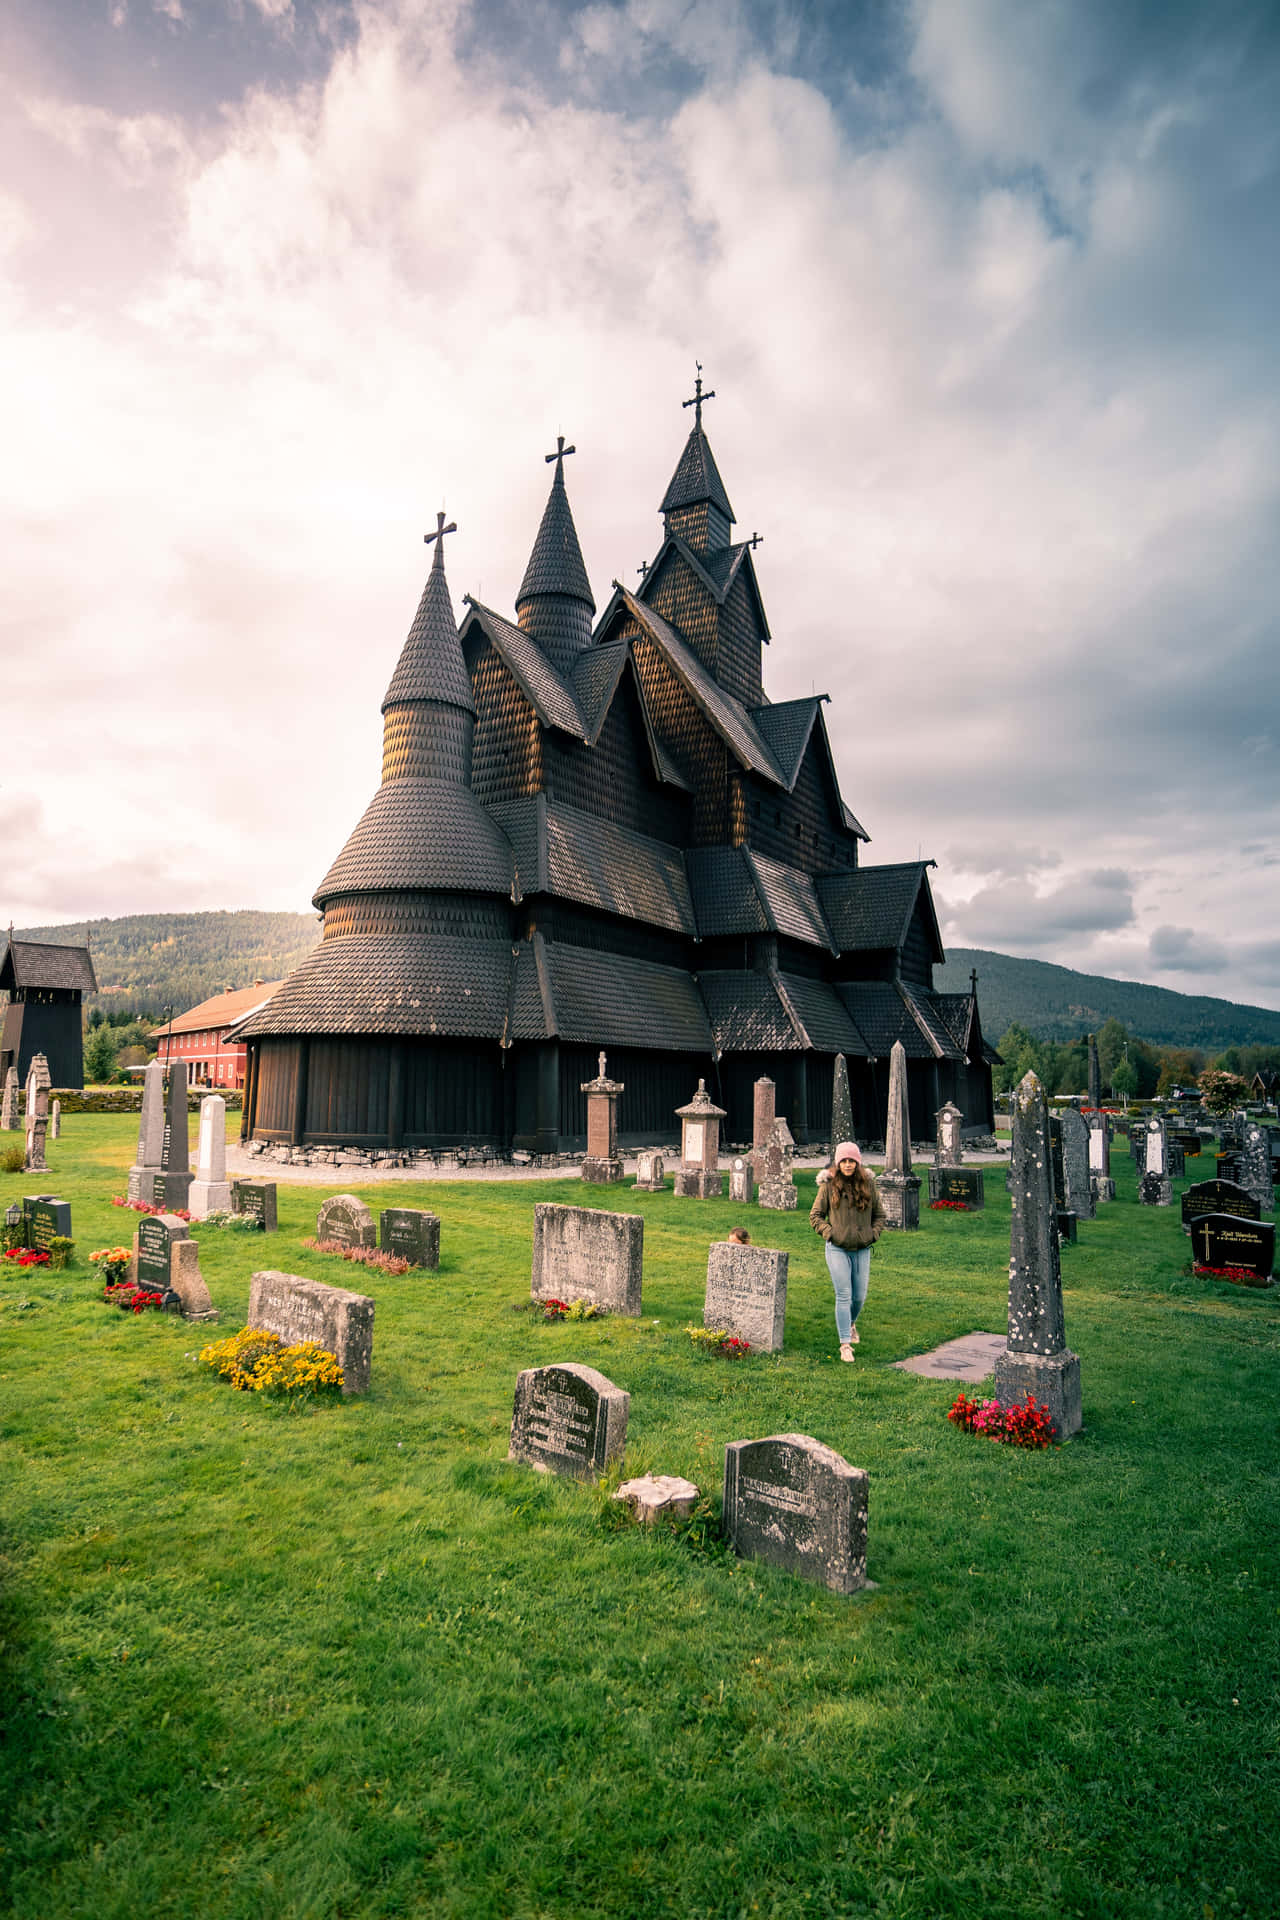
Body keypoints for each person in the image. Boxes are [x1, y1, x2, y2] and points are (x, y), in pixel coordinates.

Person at [809, 1140, 885, 1362]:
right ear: (838, 1162)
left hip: (862, 1248)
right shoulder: (828, 1186)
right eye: (844, 1161)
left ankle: (851, 1323)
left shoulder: (869, 1186)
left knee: (859, 1296)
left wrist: (873, 1234)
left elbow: (880, 1215)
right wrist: (830, 1233)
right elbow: (815, 1216)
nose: (848, 1165)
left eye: (852, 1161)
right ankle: (845, 1344)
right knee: (843, 1295)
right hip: (837, 1248)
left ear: (858, 1163)